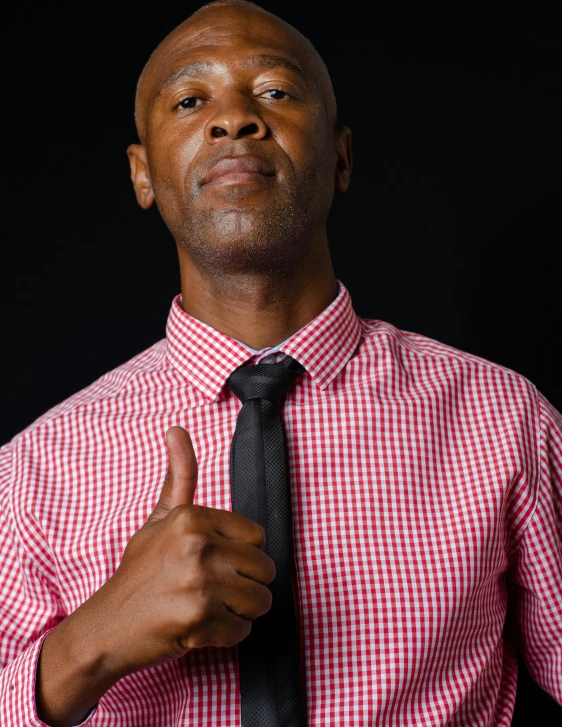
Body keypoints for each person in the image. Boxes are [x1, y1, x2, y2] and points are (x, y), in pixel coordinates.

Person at [1, 0, 561, 725]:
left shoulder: (501, 418)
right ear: (143, 175)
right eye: (191, 99)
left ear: (340, 158)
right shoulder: (34, 471)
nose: (235, 119)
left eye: (275, 91)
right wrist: (90, 641)